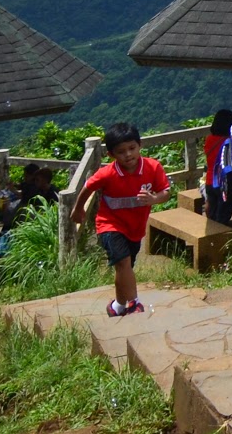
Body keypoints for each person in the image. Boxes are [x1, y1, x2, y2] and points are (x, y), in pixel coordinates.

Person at [70, 122, 172, 318]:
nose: (128, 155)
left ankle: (118, 305)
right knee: (123, 262)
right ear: (111, 155)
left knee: (123, 267)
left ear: (140, 145)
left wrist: (154, 199)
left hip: (135, 229)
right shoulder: (108, 173)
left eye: (132, 148)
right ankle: (134, 303)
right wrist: (78, 209)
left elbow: (165, 192)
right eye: (121, 151)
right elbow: (88, 187)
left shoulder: (152, 167)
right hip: (109, 224)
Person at [200, 109, 232, 223]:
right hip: (224, 183)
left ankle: (211, 238)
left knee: (212, 216)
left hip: (210, 181)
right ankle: (221, 239)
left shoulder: (209, 139)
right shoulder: (230, 141)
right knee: (223, 217)